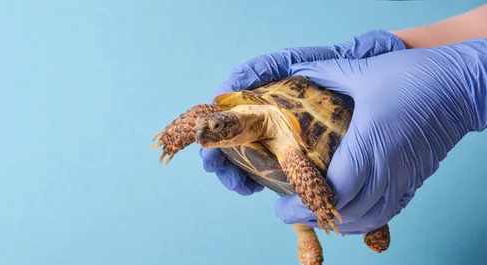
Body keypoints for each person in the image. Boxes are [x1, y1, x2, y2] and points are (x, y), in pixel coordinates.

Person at [200, 4, 487, 235]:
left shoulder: (291, 156)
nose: (208, 129)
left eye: (214, 125)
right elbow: (203, 121)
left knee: (340, 194)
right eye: (211, 126)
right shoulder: (225, 117)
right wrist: (398, 46)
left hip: (316, 139)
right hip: (336, 102)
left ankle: (374, 227)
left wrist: (461, 82)